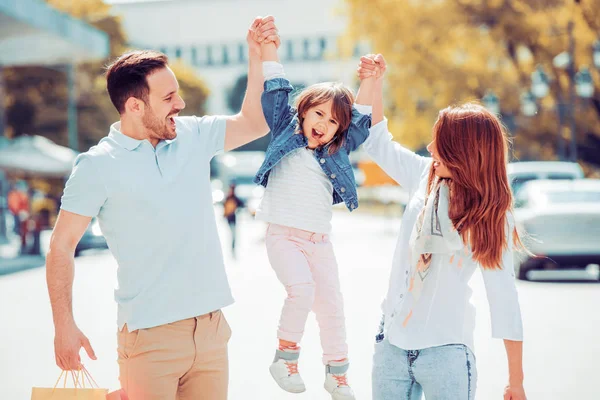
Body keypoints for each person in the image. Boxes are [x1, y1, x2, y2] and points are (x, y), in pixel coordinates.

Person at [45, 17, 280, 400]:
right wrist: (64, 325)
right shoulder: (97, 165)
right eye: (168, 98)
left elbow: (254, 123)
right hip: (149, 340)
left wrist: (256, 57)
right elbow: (61, 246)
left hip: (209, 332)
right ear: (135, 106)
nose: (181, 104)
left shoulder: (193, 135)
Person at [357, 54, 527, 400]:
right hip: (391, 344)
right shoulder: (424, 178)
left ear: (464, 153)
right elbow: (377, 142)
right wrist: (374, 83)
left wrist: (516, 380)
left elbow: (504, 298)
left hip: (446, 351)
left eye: (441, 144)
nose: (431, 148)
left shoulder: (490, 214)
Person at [253, 31, 373, 400]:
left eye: (333, 121)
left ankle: (336, 374)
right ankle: (284, 359)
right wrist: (267, 45)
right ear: (303, 111)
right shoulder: (284, 129)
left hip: (319, 242)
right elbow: (275, 90)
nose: (324, 123)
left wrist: (368, 80)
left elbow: (362, 121)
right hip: (283, 236)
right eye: (318, 113)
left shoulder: (337, 150)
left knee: (331, 307)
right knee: (301, 291)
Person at [223, 183, 244, 257]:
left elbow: (242, 204)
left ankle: (233, 249)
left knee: (234, 236)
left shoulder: (234, 198)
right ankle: (232, 249)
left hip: (233, 220)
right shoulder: (228, 198)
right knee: (232, 235)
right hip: (229, 220)